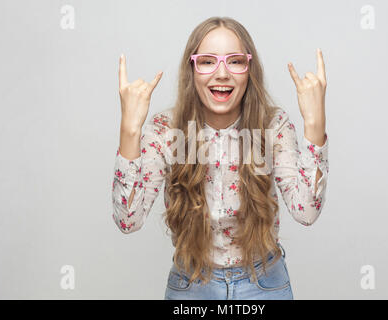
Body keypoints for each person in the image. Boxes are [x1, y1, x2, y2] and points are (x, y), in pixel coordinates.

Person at [112, 16, 329, 300]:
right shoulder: (166, 129)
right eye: (207, 61)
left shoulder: (273, 126)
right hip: (191, 285)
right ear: (192, 69)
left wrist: (315, 123)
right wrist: (129, 129)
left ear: (249, 70)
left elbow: (307, 212)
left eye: (235, 61)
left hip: (264, 285)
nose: (222, 73)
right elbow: (128, 220)